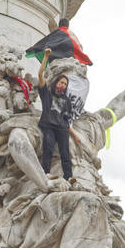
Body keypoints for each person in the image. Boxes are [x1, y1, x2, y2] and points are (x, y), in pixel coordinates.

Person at [37, 47, 78, 183]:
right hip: (48, 125)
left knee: (65, 152)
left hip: (62, 128)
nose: (63, 85)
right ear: (56, 83)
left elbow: (67, 120)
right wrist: (46, 57)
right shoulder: (47, 94)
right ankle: (46, 173)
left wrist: (75, 135)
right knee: (48, 145)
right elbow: (40, 75)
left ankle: (69, 176)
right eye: (61, 82)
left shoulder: (67, 101)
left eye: (65, 84)